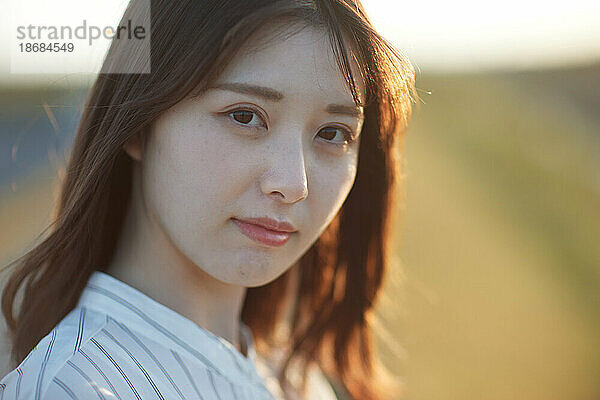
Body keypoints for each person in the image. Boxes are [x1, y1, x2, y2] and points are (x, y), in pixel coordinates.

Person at [0, 0, 415, 398]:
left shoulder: (296, 380)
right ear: (136, 122)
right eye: (245, 116)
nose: (293, 184)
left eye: (332, 133)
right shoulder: (75, 387)